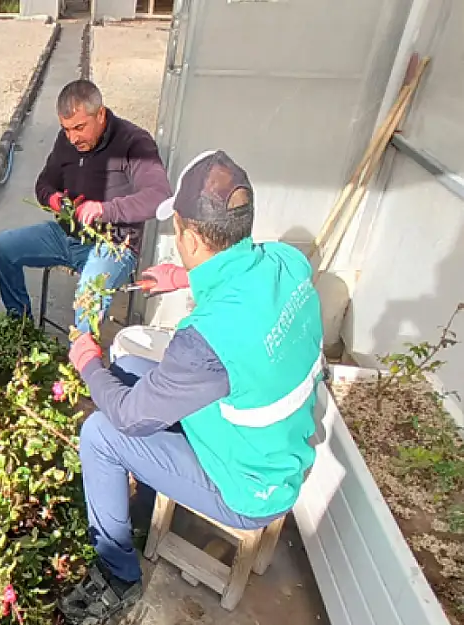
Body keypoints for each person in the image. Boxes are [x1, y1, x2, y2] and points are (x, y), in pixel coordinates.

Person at [59, 151, 324, 623]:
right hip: (279, 442)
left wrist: (87, 361)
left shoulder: (205, 341)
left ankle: (117, 576)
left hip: (249, 486)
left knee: (101, 432)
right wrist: (184, 277)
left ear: (193, 236)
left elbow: (127, 417)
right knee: (130, 367)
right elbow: (247, 283)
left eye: (177, 228)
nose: (176, 238)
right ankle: (135, 491)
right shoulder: (289, 262)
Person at [0, 79, 171, 332]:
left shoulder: (134, 142)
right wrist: (54, 200)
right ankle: (20, 328)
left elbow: (160, 195)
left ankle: (83, 363)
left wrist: (104, 209)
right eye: (66, 129)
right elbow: (44, 183)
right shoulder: (66, 142)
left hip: (114, 244)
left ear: (100, 114)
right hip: (66, 235)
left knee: (88, 293)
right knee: (4, 247)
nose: (73, 138)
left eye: (79, 127)